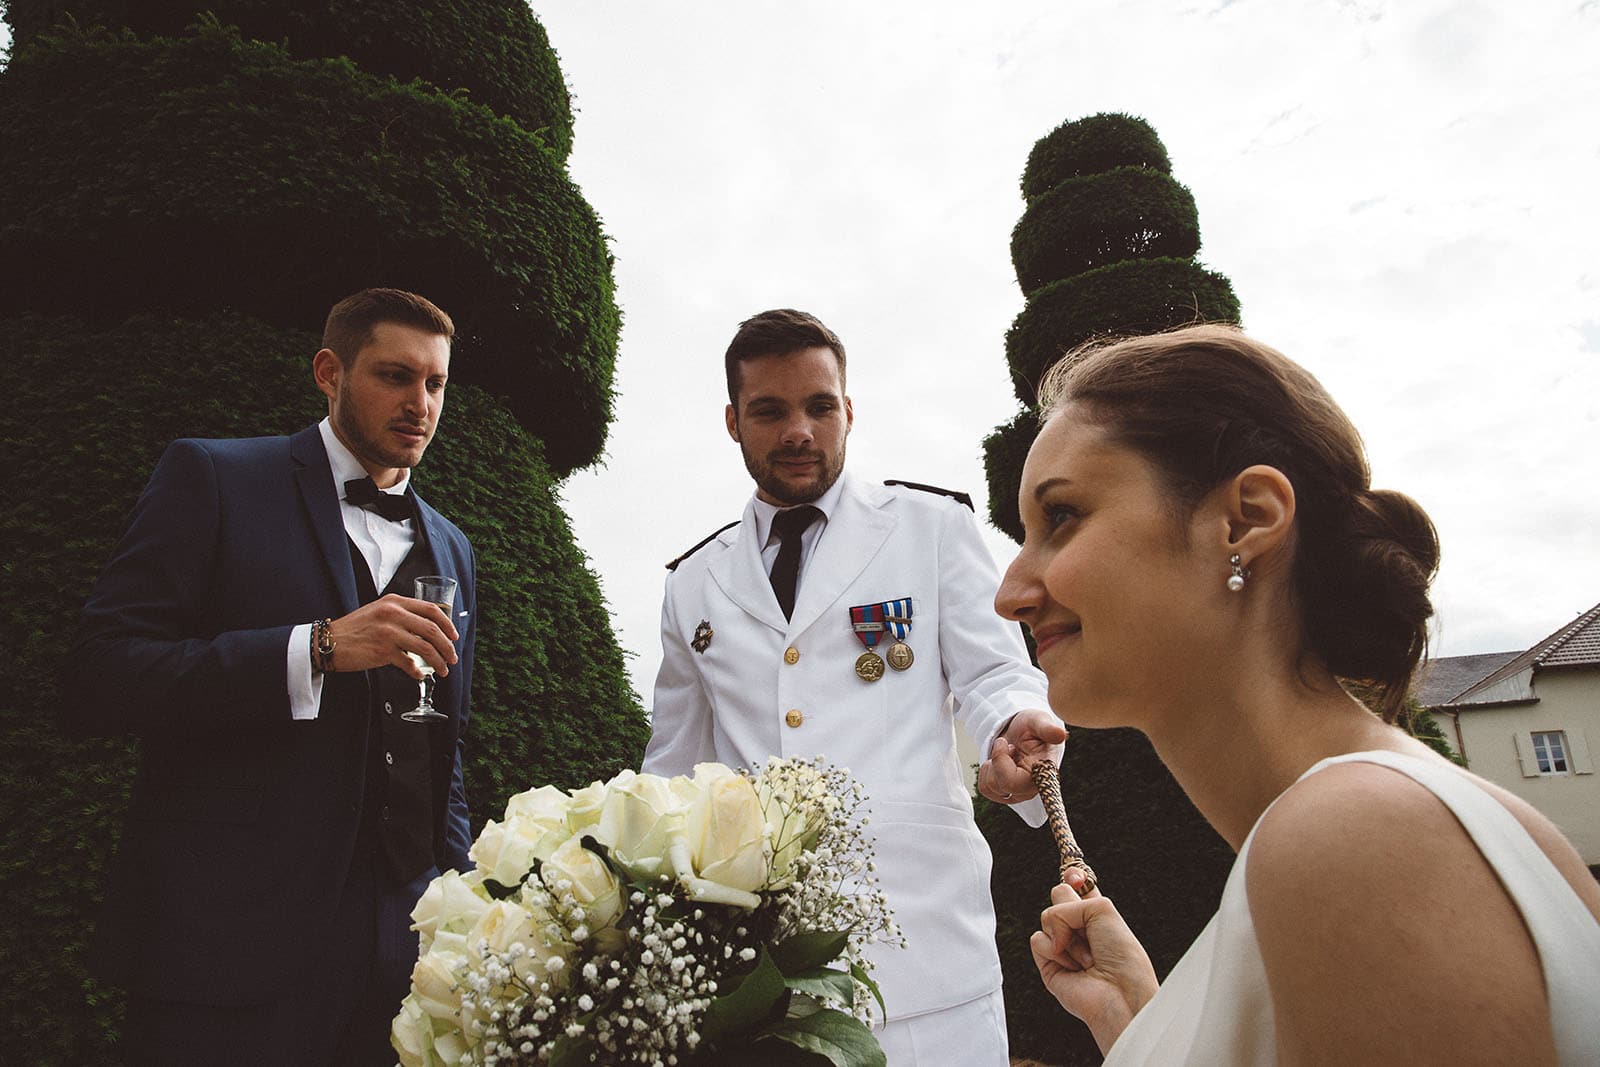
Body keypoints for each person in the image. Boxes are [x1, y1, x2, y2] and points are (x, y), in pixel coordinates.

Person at [988, 324, 1600, 1064]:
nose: (1011, 593)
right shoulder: (1373, 826)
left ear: (1244, 519)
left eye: (1061, 517)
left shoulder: (1360, 840)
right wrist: (1141, 1021)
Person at [61, 288, 478, 1065]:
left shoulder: (453, 548)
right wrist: (313, 647)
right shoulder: (216, 477)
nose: (419, 403)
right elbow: (101, 673)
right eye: (394, 375)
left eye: (435, 383)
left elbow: (438, 744)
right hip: (231, 941)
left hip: (403, 954)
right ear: (330, 370)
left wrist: (459, 903)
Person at [643, 308, 1064, 1066]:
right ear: (734, 422)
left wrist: (1015, 728)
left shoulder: (931, 527)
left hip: (922, 939)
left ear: (848, 410)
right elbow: (672, 770)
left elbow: (996, 671)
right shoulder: (691, 583)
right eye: (770, 411)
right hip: (761, 967)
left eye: (820, 406)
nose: (799, 430)